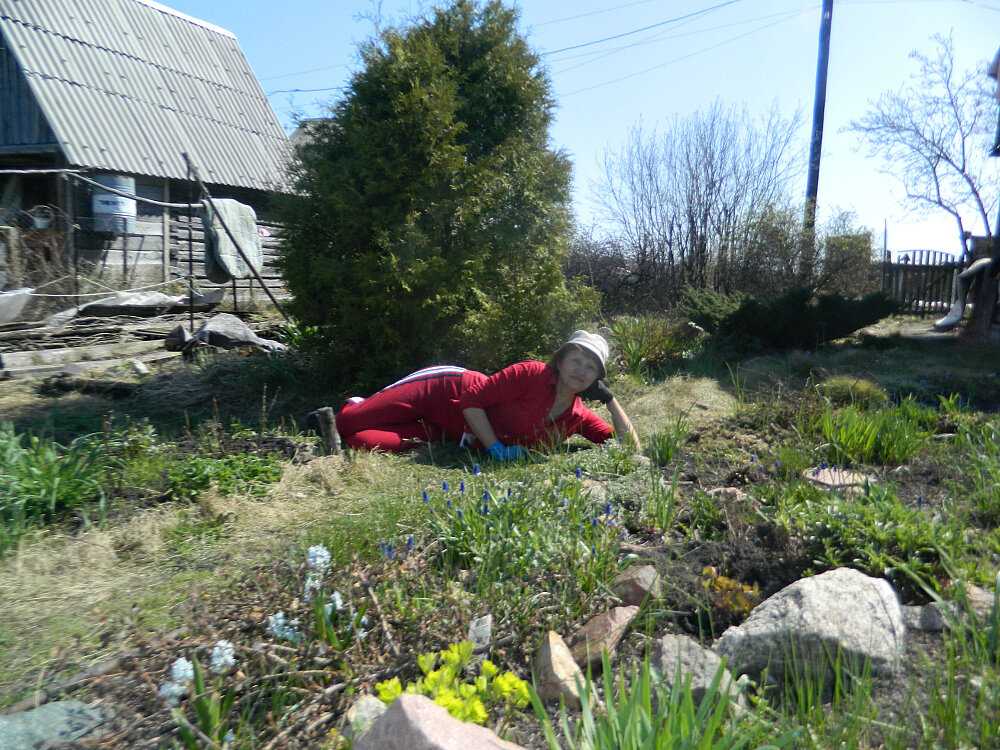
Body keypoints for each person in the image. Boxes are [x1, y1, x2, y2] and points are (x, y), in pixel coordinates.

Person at [322, 330, 641, 458]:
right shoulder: (532, 374)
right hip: (442, 390)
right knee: (345, 425)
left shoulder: (577, 417)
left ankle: (411, 425)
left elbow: (631, 449)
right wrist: (497, 449)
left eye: (591, 368)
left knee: (357, 443)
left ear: (597, 379)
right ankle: (356, 404)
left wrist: (611, 400)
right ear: (559, 361)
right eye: (576, 360)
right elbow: (471, 400)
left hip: (448, 430)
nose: (581, 371)